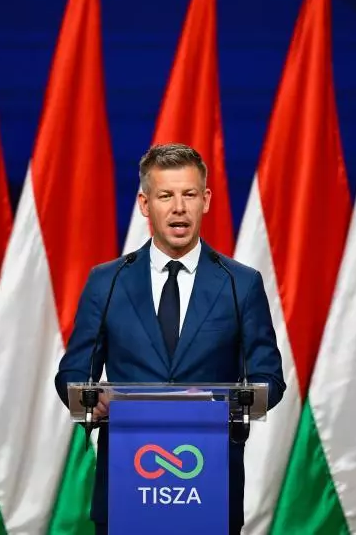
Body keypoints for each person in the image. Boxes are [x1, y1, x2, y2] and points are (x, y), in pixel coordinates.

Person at [55, 143, 286, 535]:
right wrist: (94, 397)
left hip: (209, 483)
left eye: (189, 194)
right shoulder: (107, 282)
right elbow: (72, 374)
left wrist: (219, 401)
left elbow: (270, 379)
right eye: (166, 196)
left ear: (205, 201)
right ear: (145, 205)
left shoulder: (240, 284)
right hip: (128, 481)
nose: (179, 208)